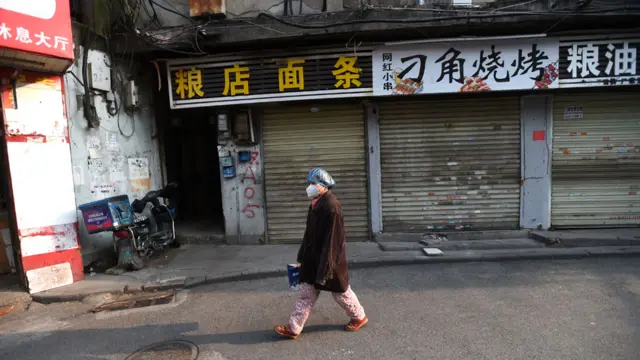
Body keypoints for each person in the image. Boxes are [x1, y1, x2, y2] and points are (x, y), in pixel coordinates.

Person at [274, 168, 368, 339]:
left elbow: (333, 241)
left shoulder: (332, 207)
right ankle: (294, 328)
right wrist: (302, 254)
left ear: (323, 186)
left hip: (329, 261)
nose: (309, 187)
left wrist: (326, 268)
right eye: (309, 183)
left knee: (341, 293)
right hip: (313, 258)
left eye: (313, 183)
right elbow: (309, 233)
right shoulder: (316, 203)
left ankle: (359, 317)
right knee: (306, 294)